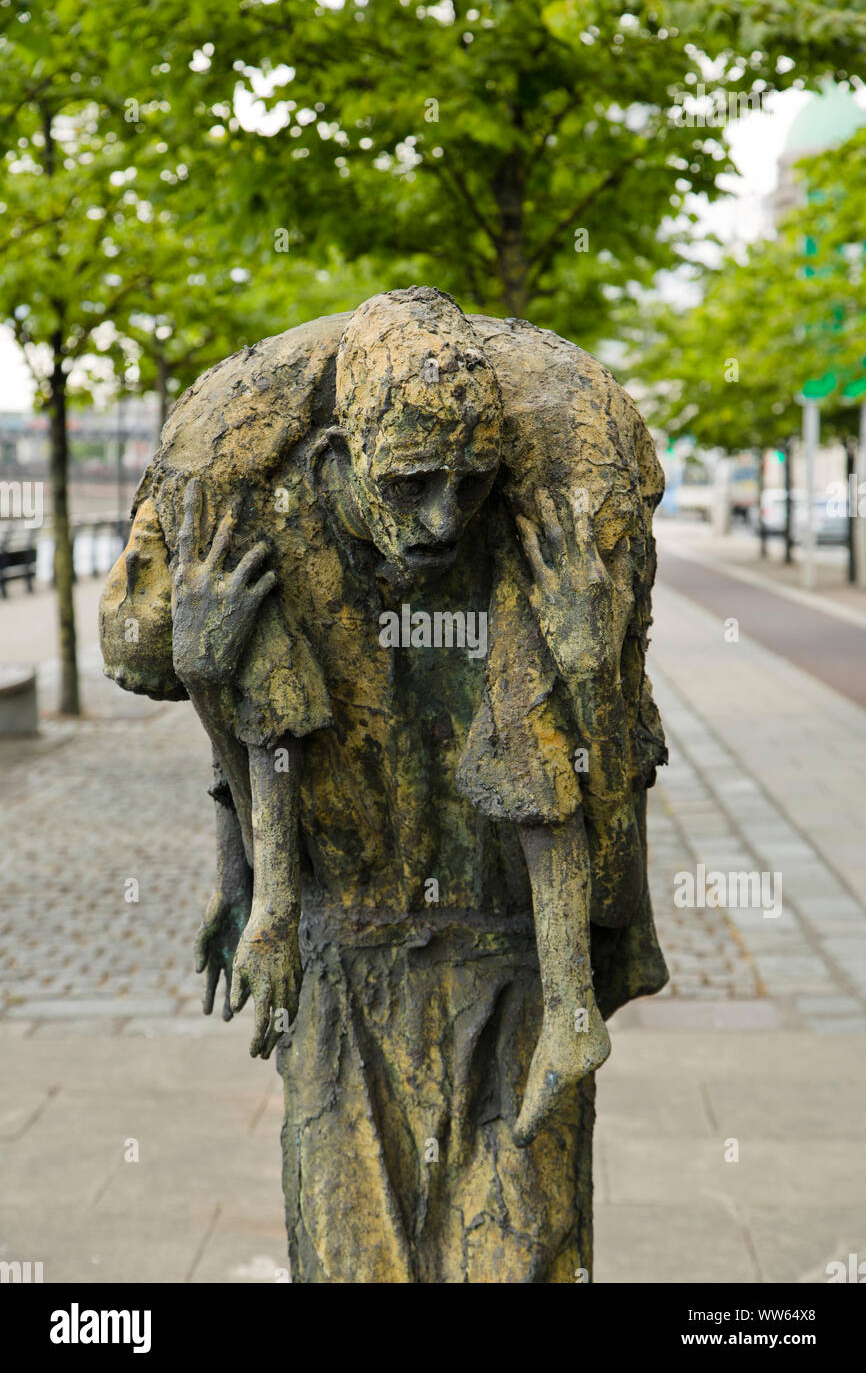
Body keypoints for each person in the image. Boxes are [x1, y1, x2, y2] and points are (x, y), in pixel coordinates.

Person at [100, 286, 668, 1281]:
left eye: (468, 482)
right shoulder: (262, 507)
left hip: (511, 955)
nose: (445, 519)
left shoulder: (541, 515)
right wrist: (253, 892)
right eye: (409, 484)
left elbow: (568, 773)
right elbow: (229, 706)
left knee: (520, 1253)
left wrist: (587, 672)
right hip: (344, 943)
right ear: (336, 462)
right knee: (349, 1254)